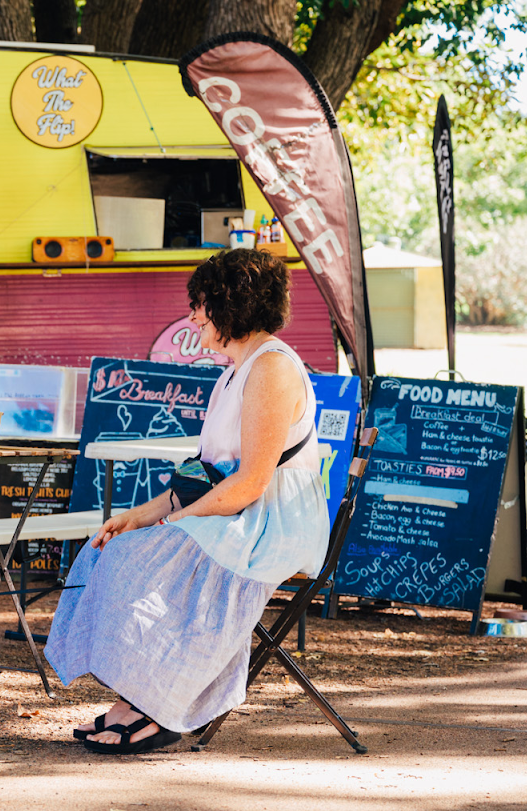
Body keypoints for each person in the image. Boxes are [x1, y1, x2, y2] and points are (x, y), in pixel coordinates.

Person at [47, 248, 329, 755]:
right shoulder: (235, 371)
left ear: (231, 304)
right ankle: (137, 697)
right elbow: (204, 476)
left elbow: (250, 483)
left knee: (140, 561)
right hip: (237, 514)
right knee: (113, 549)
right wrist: (139, 516)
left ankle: (162, 707)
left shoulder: (271, 368)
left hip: (269, 524)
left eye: (201, 304)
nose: (194, 315)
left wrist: (174, 523)